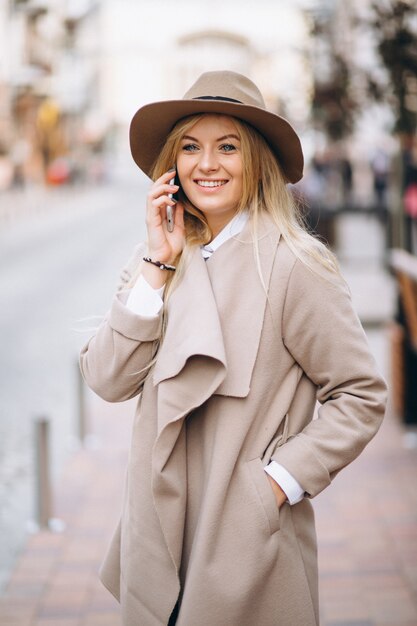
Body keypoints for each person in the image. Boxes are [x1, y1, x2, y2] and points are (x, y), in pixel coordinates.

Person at [79, 70, 388, 626]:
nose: (207, 164)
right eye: (191, 147)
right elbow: (107, 380)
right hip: (159, 528)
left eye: (229, 147)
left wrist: (273, 487)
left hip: (244, 543)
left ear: (258, 161)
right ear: (172, 164)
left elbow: (360, 395)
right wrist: (158, 263)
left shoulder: (294, 265)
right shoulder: (158, 257)